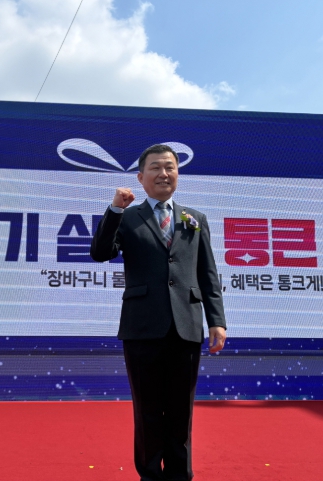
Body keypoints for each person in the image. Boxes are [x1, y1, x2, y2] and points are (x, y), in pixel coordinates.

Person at [90, 144, 227, 481]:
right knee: (148, 410)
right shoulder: (127, 217)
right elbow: (100, 252)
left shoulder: (195, 219)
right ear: (141, 177)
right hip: (142, 327)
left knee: (181, 412)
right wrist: (115, 210)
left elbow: (207, 273)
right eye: (155, 167)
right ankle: (149, 475)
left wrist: (217, 321)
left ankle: (180, 475)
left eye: (170, 167)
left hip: (186, 325)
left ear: (177, 174)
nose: (164, 174)